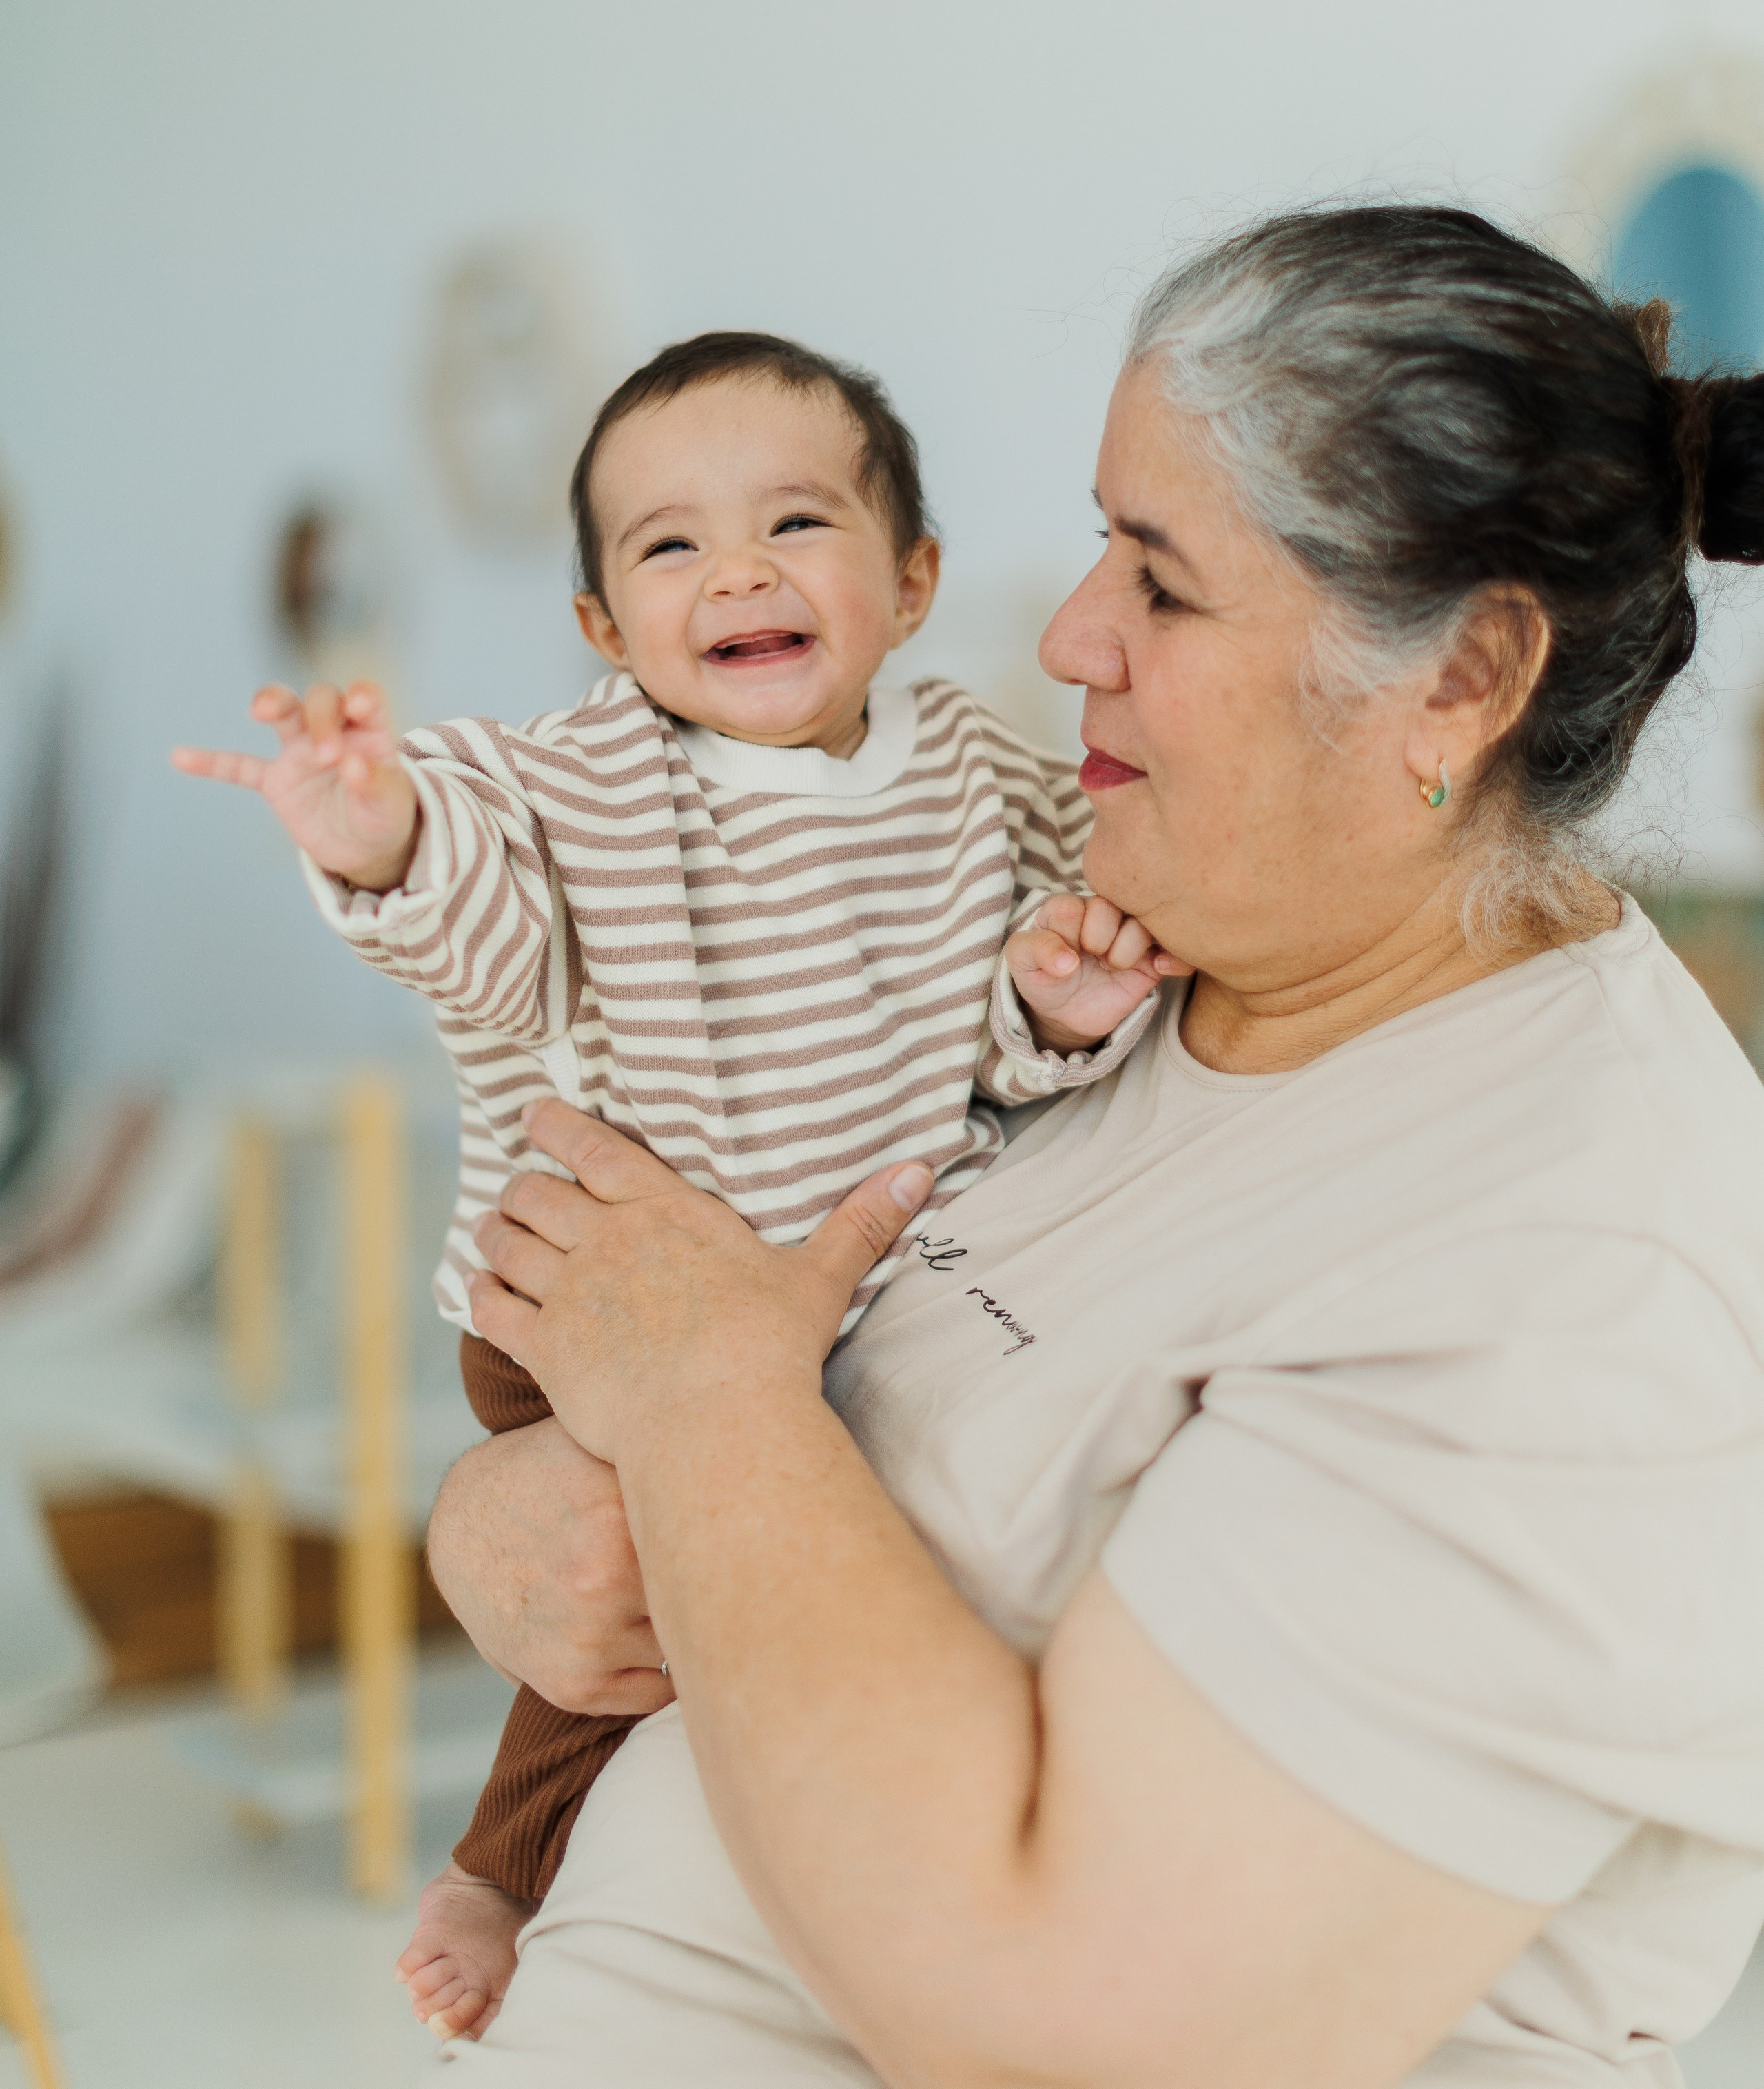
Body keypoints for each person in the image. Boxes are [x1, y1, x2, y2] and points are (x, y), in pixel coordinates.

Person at [425, 207, 1764, 2088]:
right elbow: (783, 1429)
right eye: (1097, 540)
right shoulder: (1104, 949)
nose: (1068, 634)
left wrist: (702, 1402)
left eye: (1162, 580)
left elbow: (1078, 2022)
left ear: (1461, 676)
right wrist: (500, 1524)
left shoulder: (1577, 1275)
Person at [172, 330, 1173, 2039]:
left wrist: (1053, 999)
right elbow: (478, 921)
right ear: (602, 627)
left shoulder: (975, 772)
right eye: (668, 546)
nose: (736, 574)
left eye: (795, 523)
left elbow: (1015, 1012)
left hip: (847, 1305)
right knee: (622, 1593)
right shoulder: (580, 785)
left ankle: (785, 1887)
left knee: (749, 1595)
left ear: (911, 582)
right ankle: (501, 1869)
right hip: (592, 1299)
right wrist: (376, 831)